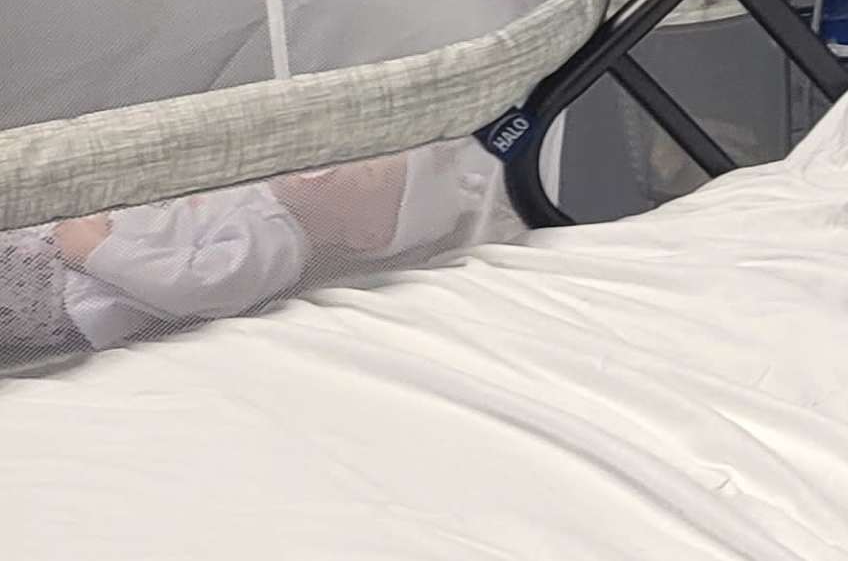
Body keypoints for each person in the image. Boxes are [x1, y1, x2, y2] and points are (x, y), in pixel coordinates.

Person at [0, 144, 510, 353]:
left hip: (64, 285)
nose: (343, 164)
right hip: (56, 242)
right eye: (358, 153)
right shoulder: (258, 189)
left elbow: (191, 286)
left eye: (366, 174)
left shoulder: (278, 245)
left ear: (366, 236)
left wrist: (94, 251)